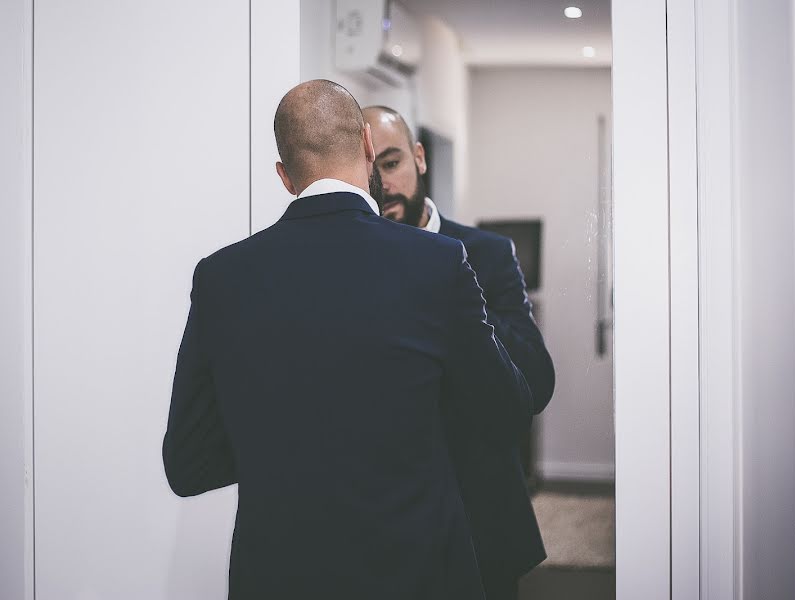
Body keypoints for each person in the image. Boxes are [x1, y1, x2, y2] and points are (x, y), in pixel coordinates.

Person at [162, 80, 533, 600]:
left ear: (285, 176)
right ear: (365, 145)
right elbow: (504, 412)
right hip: (417, 570)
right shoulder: (438, 262)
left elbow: (188, 463)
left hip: (277, 575)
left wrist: (283, 446)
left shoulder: (220, 276)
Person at [362, 105, 556, 600]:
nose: (383, 184)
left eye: (391, 163)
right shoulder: (353, 264)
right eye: (368, 172)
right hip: (382, 527)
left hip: (480, 516)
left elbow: (535, 378)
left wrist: (450, 293)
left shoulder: (486, 253)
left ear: (420, 158)